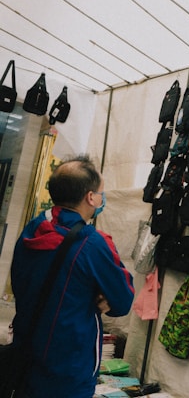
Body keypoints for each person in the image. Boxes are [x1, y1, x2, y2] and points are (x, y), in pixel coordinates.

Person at [10, 154, 135, 398]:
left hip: (26, 351)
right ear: (91, 197)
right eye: (101, 192)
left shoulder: (32, 228)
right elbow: (122, 301)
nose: (102, 197)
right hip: (69, 367)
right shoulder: (93, 242)